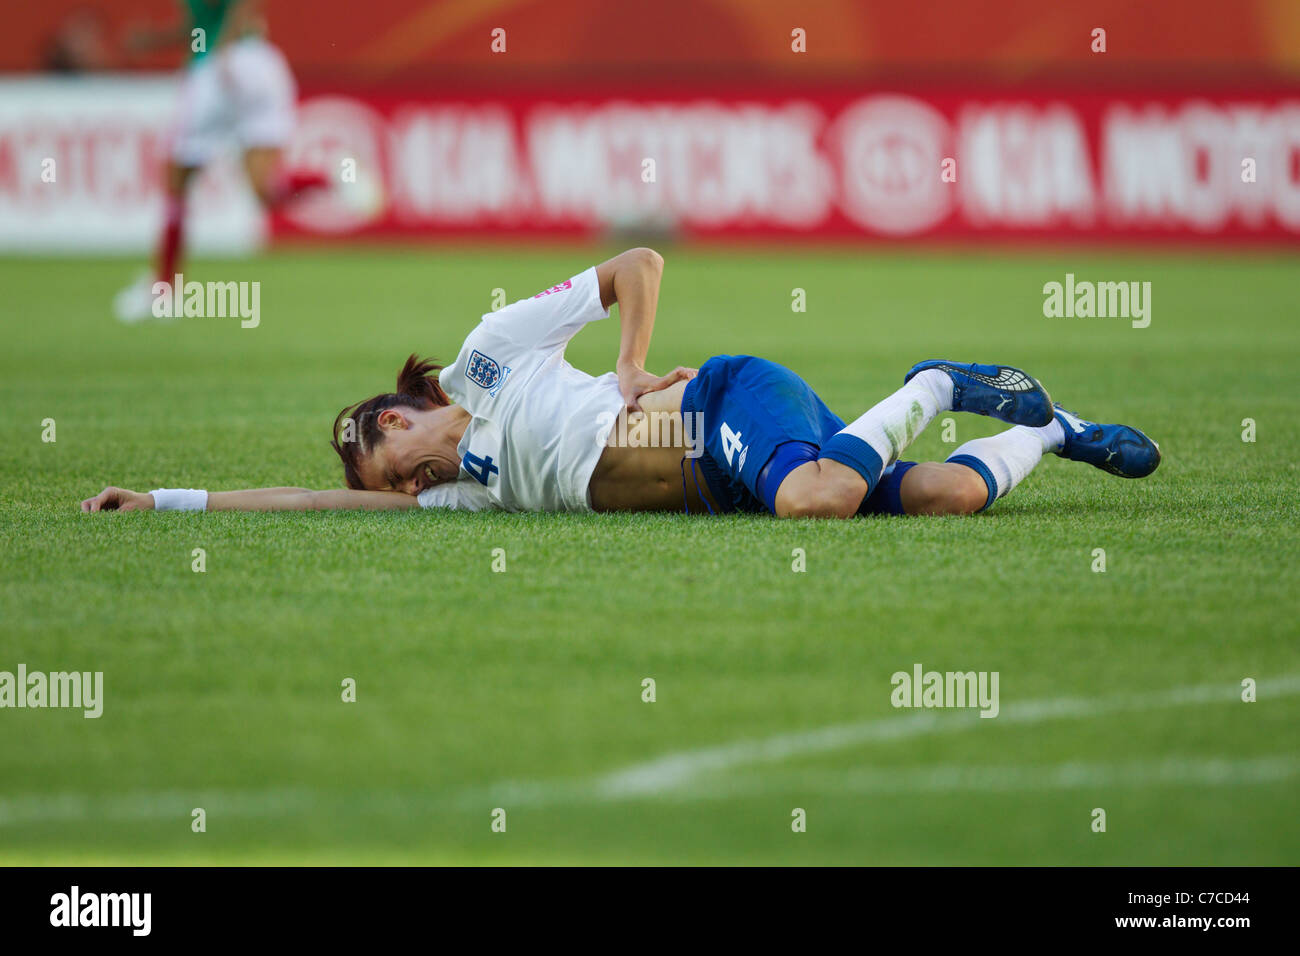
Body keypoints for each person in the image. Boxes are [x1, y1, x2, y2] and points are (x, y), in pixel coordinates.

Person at [83, 248, 1160, 517]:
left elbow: (634, 264)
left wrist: (634, 364)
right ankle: (1055, 431)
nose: (404, 486)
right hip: (722, 480)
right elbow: (314, 504)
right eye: (393, 486)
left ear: (404, 409)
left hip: (717, 406)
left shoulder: (495, 349)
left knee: (818, 500)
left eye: (394, 462)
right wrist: (165, 499)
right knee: (945, 495)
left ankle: (933, 378)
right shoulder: (461, 490)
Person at [113, 0, 327, 323]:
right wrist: (155, 40)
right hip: (263, 64)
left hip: (221, 67)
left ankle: (164, 291)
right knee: (264, 190)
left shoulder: (220, 49)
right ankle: (330, 178)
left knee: (177, 179)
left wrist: (224, 46)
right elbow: (200, 27)